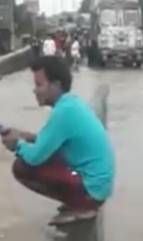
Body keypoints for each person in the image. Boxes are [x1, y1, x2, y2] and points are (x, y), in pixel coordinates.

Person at [1, 56, 115, 225]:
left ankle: (81, 207)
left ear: (56, 86)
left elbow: (34, 158)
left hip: (92, 193)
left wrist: (16, 144)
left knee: (21, 167)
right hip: (98, 189)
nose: (34, 90)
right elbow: (51, 143)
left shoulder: (63, 112)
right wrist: (26, 137)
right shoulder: (70, 105)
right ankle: (77, 203)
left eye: (39, 85)